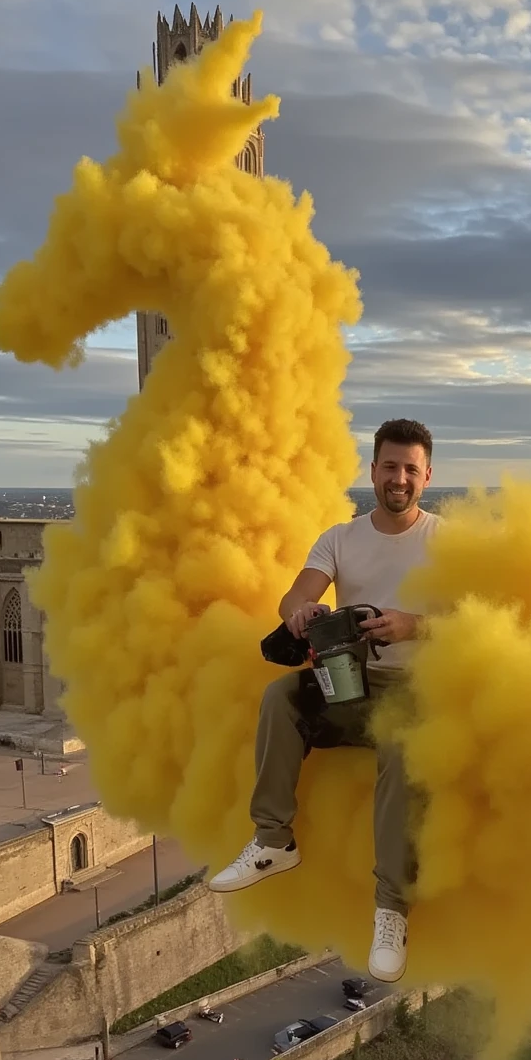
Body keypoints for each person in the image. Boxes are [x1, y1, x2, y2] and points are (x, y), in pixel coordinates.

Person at [210, 418, 440, 984]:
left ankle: (391, 908)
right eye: (390, 466)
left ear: (426, 476)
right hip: (351, 685)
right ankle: (273, 840)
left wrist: (414, 626)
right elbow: (300, 590)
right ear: (374, 471)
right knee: (282, 696)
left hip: (416, 693)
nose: (399, 478)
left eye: (411, 468)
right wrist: (299, 612)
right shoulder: (340, 539)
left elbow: (479, 623)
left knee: (402, 752)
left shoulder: (448, 542)